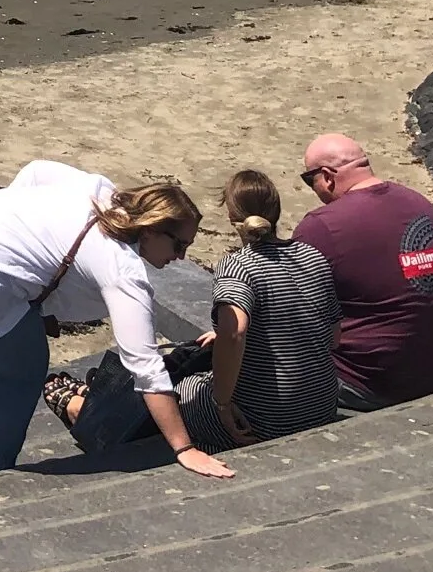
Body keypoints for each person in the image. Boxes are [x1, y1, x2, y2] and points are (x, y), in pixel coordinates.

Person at [0, 160, 235, 483]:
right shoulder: (121, 268)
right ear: (150, 228)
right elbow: (145, 365)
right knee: (19, 369)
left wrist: (18, 232)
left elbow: (36, 171)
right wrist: (184, 447)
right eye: (178, 245)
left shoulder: (99, 190)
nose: (181, 257)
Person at [50, 168, 339, 456]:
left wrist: (223, 404)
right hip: (322, 405)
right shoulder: (312, 256)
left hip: (265, 419)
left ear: (231, 217)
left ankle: (84, 409)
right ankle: (94, 399)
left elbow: (235, 332)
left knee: (170, 393)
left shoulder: (238, 266)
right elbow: (333, 335)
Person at [292, 132, 433, 410]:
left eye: (309, 180)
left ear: (327, 176)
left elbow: (287, 308)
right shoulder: (419, 203)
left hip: (369, 381)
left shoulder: (322, 226)